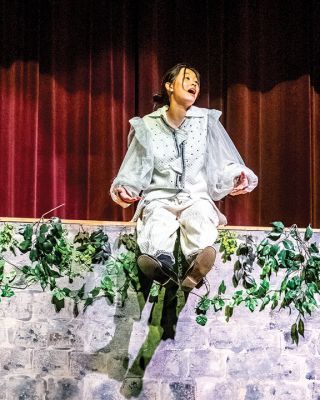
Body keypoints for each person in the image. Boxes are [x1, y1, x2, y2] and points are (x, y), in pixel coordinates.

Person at [110, 63, 258, 291]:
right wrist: (124, 188)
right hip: (159, 196)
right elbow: (134, 168)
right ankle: (160, 262)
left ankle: (198, 261)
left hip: (195, 195)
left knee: (200, 214)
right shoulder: (148, 125)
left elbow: (221, 162)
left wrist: (238, 175)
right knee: (157, 218)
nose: (194, 85)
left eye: (197, 82)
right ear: (169, 86)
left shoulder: (206, 121)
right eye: (187, 79)